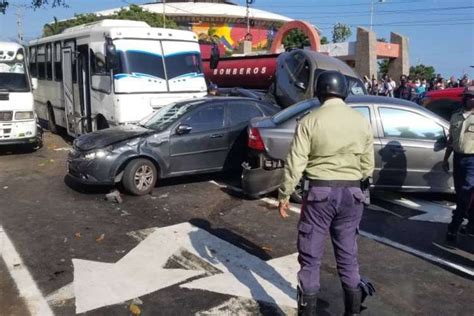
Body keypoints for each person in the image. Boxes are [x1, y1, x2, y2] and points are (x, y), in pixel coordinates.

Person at [277, 70, 375, 315]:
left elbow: (295, 162)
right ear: (343, 91)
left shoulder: (310, 120)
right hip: (352, 194)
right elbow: (368, 165)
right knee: (348, 256)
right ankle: (352, 312)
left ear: (320, 92)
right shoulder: (361, 121)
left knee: (310, 258)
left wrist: (284, 194)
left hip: (319, 193)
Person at [443, 85, 474, 242]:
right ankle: (470, 225)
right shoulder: (456, 116)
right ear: (465, 98)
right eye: (469, 96)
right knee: (462, 193)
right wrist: (445, 159)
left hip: (472, 160)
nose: (472, 99)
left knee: (465, 194)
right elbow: (451, 141)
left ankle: (454, 227)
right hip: (458, 158)